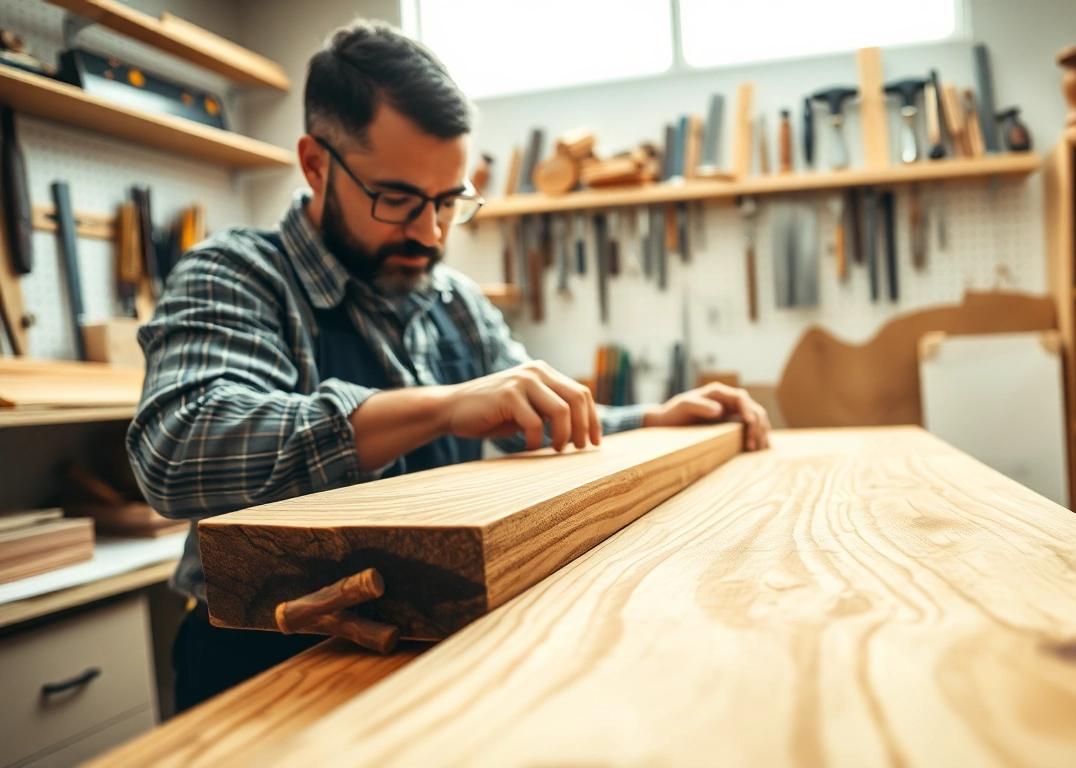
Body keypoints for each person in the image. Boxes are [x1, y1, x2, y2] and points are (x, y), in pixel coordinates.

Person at [126, 19, 771, 712]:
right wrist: (443, 404)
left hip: (437, 651)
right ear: (315, 164)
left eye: (449, 202)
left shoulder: (453, 299)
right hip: (266, 661)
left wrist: (651, 417)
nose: (430, 233)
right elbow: (176, 450)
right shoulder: (236, 273)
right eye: (398, 200)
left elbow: (535, 413)